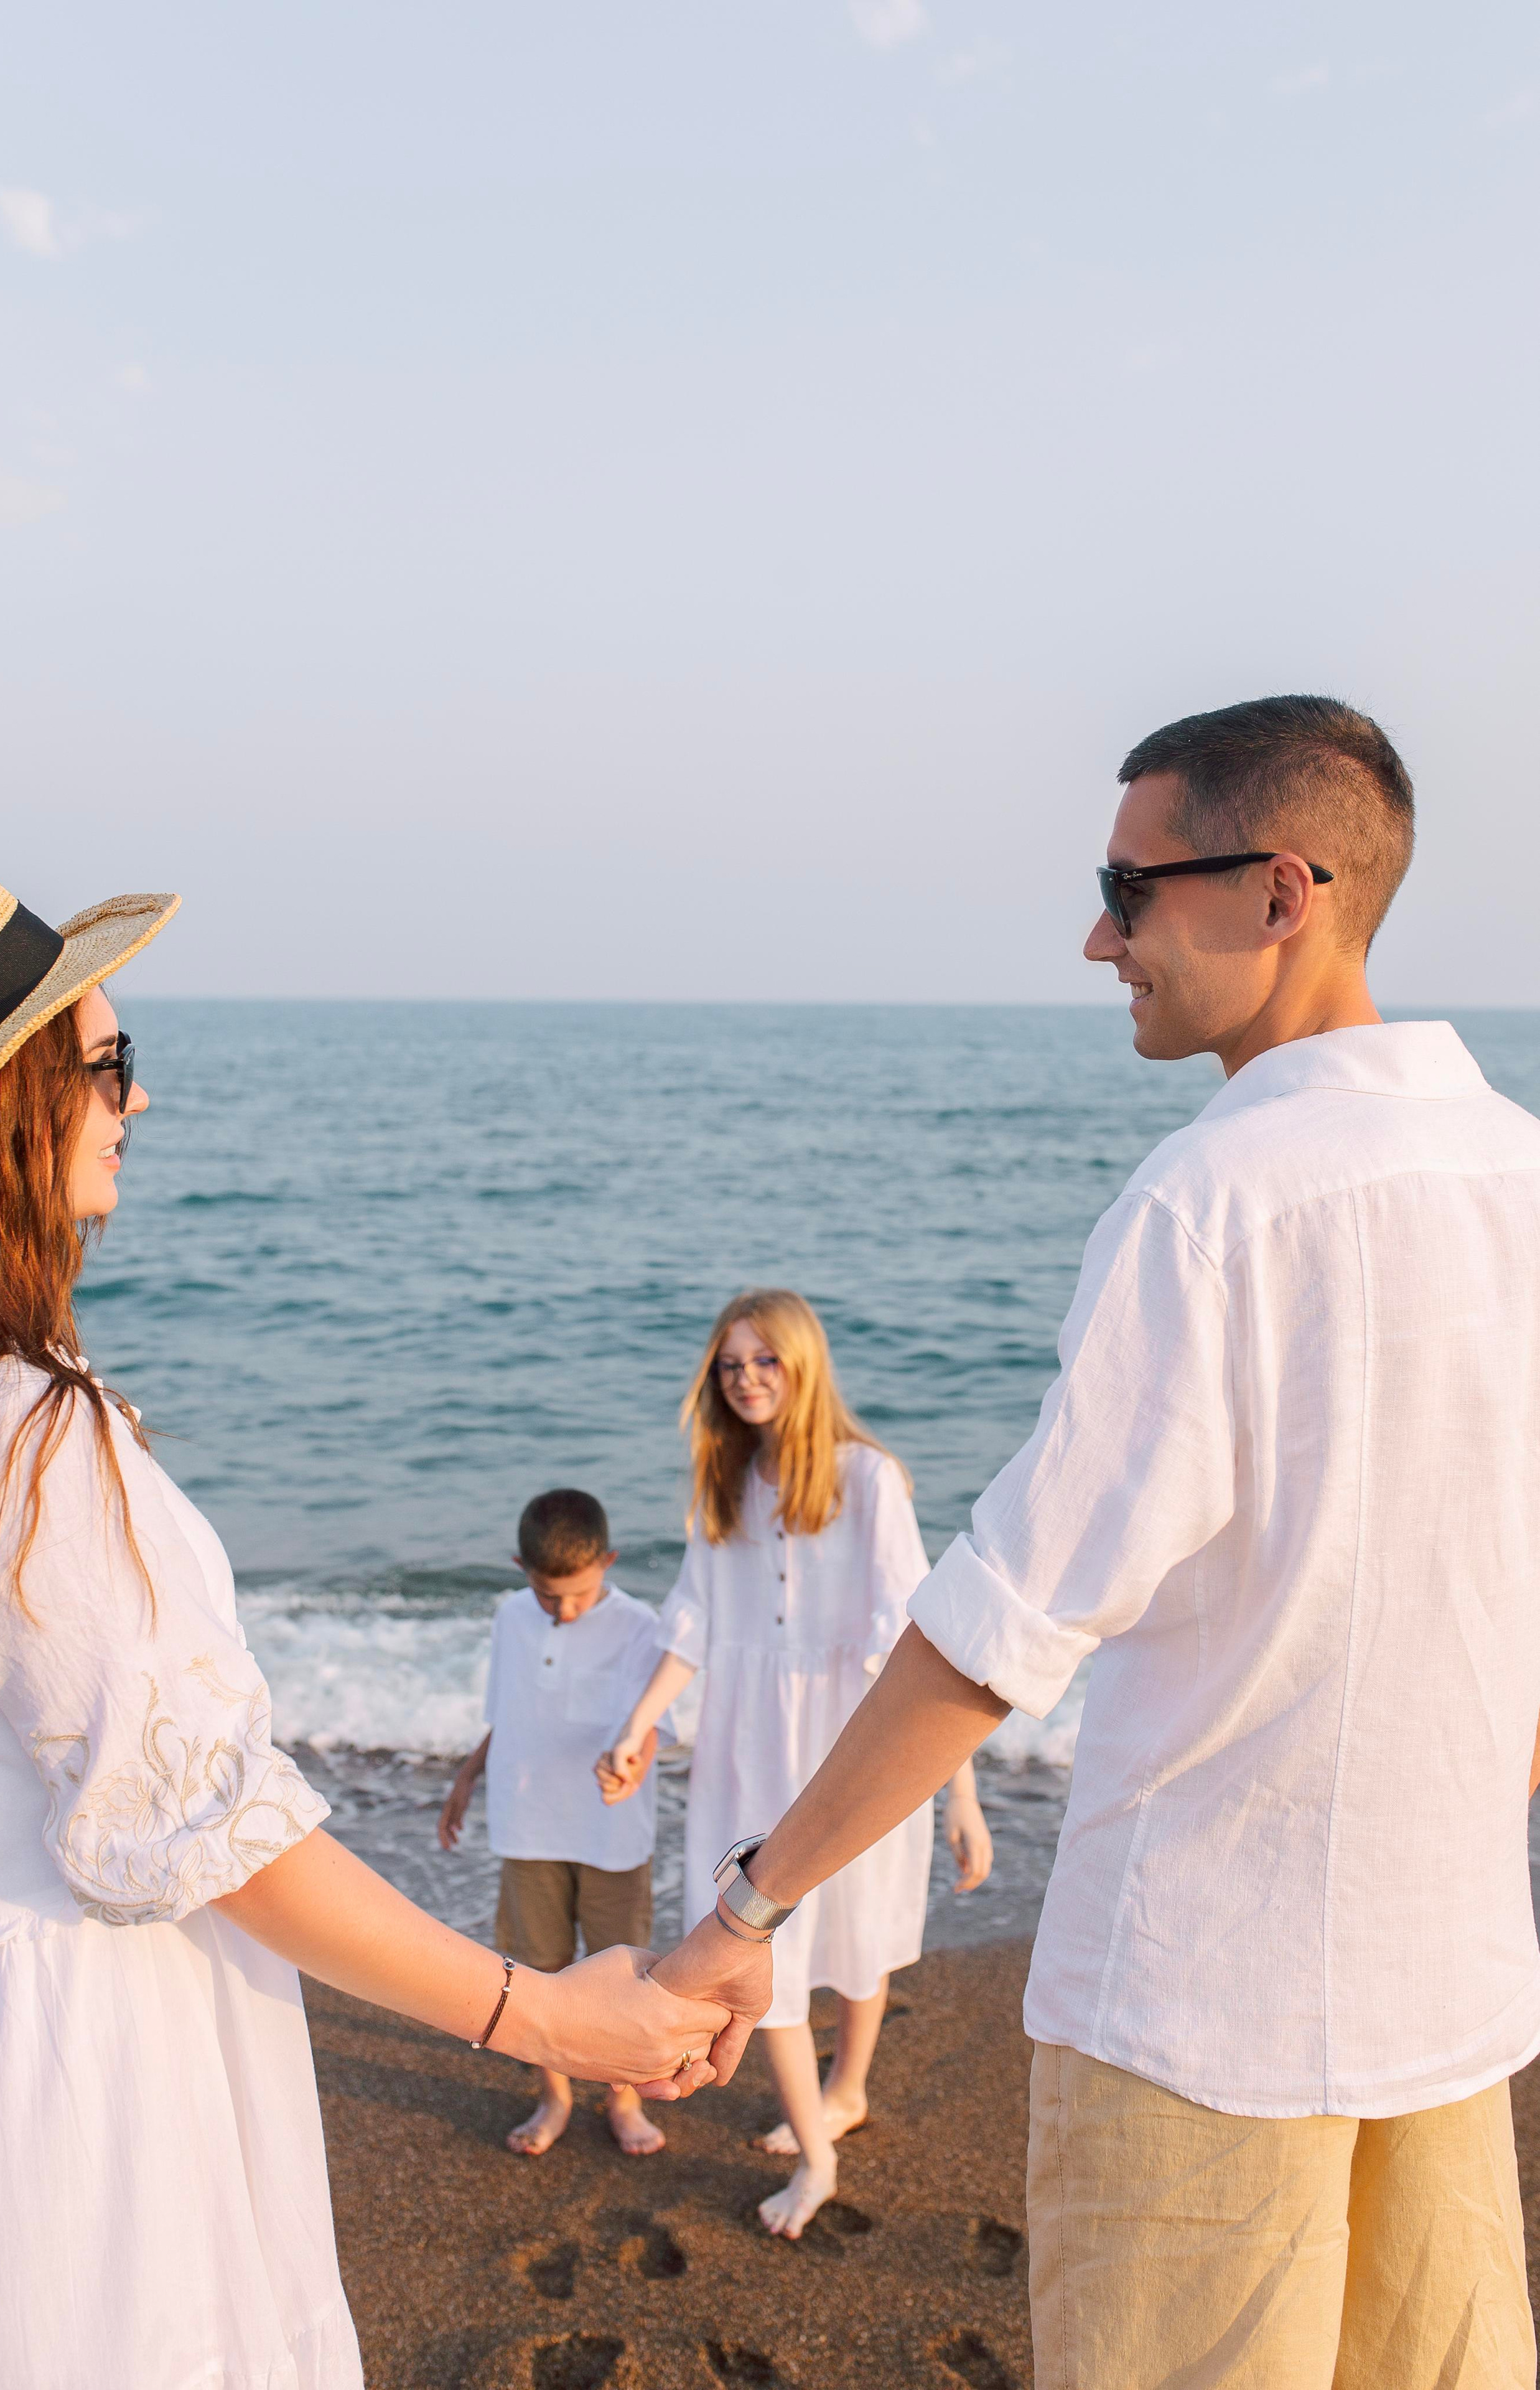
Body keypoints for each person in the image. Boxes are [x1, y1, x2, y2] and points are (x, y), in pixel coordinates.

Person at [653, 698, 1540, 2388]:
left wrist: (750, 1907)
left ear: (1280, 892)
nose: (1095, 938)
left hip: (1199, 2010)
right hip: (1453, 1990)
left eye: (1127, 890)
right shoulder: (1518, 1171)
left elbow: (1000, 1626)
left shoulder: (1213, 1204)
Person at [0, 858, 727, 2390]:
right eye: (107, 1060)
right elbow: (216, 1831)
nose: (138, 1097)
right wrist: (538, 2015)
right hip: (91, 2073)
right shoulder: (29, 1435)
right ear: (5, 1112)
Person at [601, 1288, 992, 2238]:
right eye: (731, 1365)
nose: (746, 1380)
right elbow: (692, 1624)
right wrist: (640, 1726)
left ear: (804, 1364)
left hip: (851, 1742)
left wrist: (960, 1796)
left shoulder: (868, 1479)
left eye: (765, 1360)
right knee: (752, 1938)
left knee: (861, 1929)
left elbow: (920, 1643)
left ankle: (847, 2090)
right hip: (746, 1749)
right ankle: (818, 2156)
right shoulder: (722, 1485)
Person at [436, 1486, 674, 2158]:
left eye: (577, 1595)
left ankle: (623, 2100)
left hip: (610, 1833)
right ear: (521, 1569)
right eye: (548, 1595)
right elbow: (506, 1712)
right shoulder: (511, 1616)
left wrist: (632, 1769)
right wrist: (466, 1777)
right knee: (535, 1968)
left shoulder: (639, 1625)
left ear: (609, 1562)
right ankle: (555, 2096)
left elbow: (654, 1726)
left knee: (621, 1973)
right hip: (528, 1823)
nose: (563, 1609)